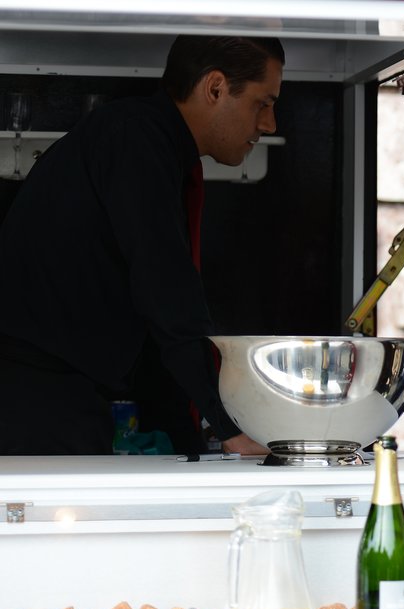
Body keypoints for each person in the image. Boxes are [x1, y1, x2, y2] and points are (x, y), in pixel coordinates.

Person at [0, 35, 282, 456]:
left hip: (52, 390)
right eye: (264, 102)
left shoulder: (144, 139)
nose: (269, 124)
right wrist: (229, 427)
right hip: (35, 396)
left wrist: (199, 431)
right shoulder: (136, 138)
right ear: (215, 88)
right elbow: (165, 288)